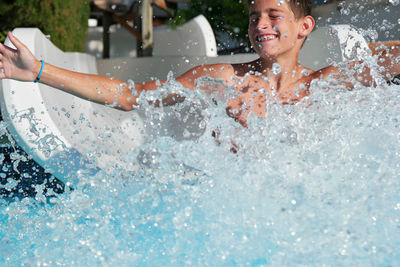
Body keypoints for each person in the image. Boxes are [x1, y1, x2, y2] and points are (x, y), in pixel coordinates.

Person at [0, 0, 399, 128]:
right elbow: (130, 96)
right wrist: (37, 71)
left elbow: (387, 60)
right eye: (254, 17)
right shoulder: (222, 78)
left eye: (273, 16)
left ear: (303, 26)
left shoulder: (325, 83)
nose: (260, 25)